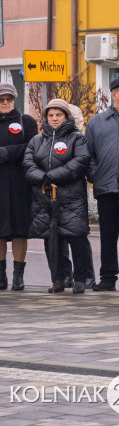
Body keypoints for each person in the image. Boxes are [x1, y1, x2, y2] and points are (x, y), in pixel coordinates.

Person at [24, 99, 92, 293]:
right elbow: (28, 165)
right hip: (45, 197)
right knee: (51, 240)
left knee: (76, 237)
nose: (54, 119)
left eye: (58, 115)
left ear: (66, 117)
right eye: (51, 115)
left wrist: (53, 176)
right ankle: (59, 277)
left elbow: (81, 161)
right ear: (46, 118)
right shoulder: (37, 140)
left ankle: (80, 278)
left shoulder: (77, 139)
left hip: (71, 198)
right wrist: (44, 179)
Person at [85, 76, 119, 291]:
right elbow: (87, 155)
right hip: (105, 186)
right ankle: (108, 278)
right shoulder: (96, 122)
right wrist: (94, 175)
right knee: (108, 236)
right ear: (114, 94)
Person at [0, 83, 37, 292]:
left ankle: (18, 276)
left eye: (9, 99)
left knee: (19, 230)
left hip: (20, 185)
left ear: (14, 99)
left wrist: (6, 153)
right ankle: (1, 276)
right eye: (1, 100)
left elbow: (32, 147)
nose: (5, 103)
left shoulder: (26, 121)